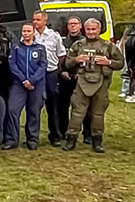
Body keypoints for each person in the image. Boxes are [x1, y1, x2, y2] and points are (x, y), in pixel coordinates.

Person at [62, 19, 124, 153]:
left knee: (98, 114)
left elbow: (120, 63)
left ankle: (97, 141)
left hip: (101, 83)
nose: (91, 32)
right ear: (85, 30)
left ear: (99, 30)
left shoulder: (108, 46)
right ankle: (71, 140)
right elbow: (67, 63)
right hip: (82, 82)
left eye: (93, 29)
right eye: (88, 29)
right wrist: (76, 60)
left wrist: (108, 62)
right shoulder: (78, 45)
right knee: (77, 113)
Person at [3, 23, 46, 150]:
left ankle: (32, 139)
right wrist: (23, 80)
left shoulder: (40, 48)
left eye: (28, 31)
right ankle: (12, 139)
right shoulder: (16, 48)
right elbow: (12, 65)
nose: (26, 33)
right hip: (19, 84)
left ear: (33, 33)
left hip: (36, 85)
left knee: (34, 112)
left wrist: (32, 81)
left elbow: (43, 66)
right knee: (12, 110)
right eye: (24, 31)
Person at [33, 11, 66, 146]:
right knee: (34, 106)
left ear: (45, 21)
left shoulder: (54, 36)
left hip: (50, 73)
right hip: (35, 75)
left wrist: (57, 69)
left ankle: (55, 135)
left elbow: (61, 53)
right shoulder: (29, 35)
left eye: (38, 20)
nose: (35, 22)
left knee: (53, 106)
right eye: (34, 20)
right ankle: (33, 136)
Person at [57, 16, 92, 144]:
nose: (73, 26)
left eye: (75, 24)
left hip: (81, 78)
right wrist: (62, 72)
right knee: (63, 107)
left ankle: (87, 134)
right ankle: (63, 131)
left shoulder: (86, 42)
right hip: (65, 78)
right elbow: (59, 59)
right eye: (70, 24)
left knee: (84, 107)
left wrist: (81, 73)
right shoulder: (62, 41)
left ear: (80, 26)